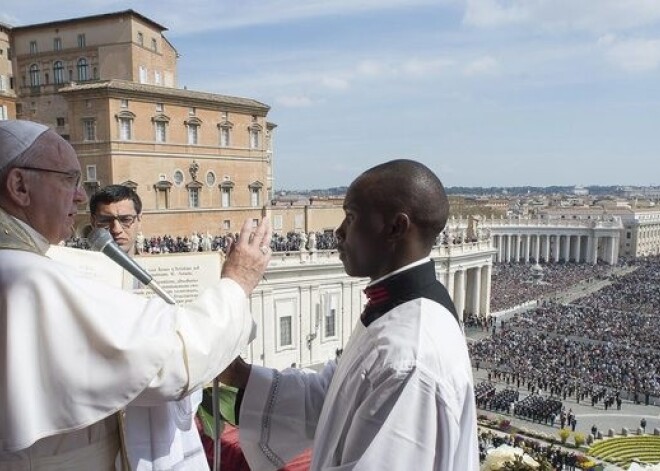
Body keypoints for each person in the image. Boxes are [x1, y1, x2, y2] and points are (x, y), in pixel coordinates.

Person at [0, 120, 272, 469]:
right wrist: (238, 281)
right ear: (19, 186)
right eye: (69, 180)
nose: (81, 196)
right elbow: (170, 358)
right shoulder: (26, 277)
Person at [221, 159, 478, 470]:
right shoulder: (395, 310)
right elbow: (333, 397)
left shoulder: (409, 354)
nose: (338, 231)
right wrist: (240, 375)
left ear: (396, 228)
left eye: (351, 217)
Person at [89, 184, 207, 470]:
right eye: (106, 221)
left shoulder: (167, 278)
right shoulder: (82, 282)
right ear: (93, 225)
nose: (116, 229)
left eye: (125, 219)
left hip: (157, 418)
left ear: (139, 221)